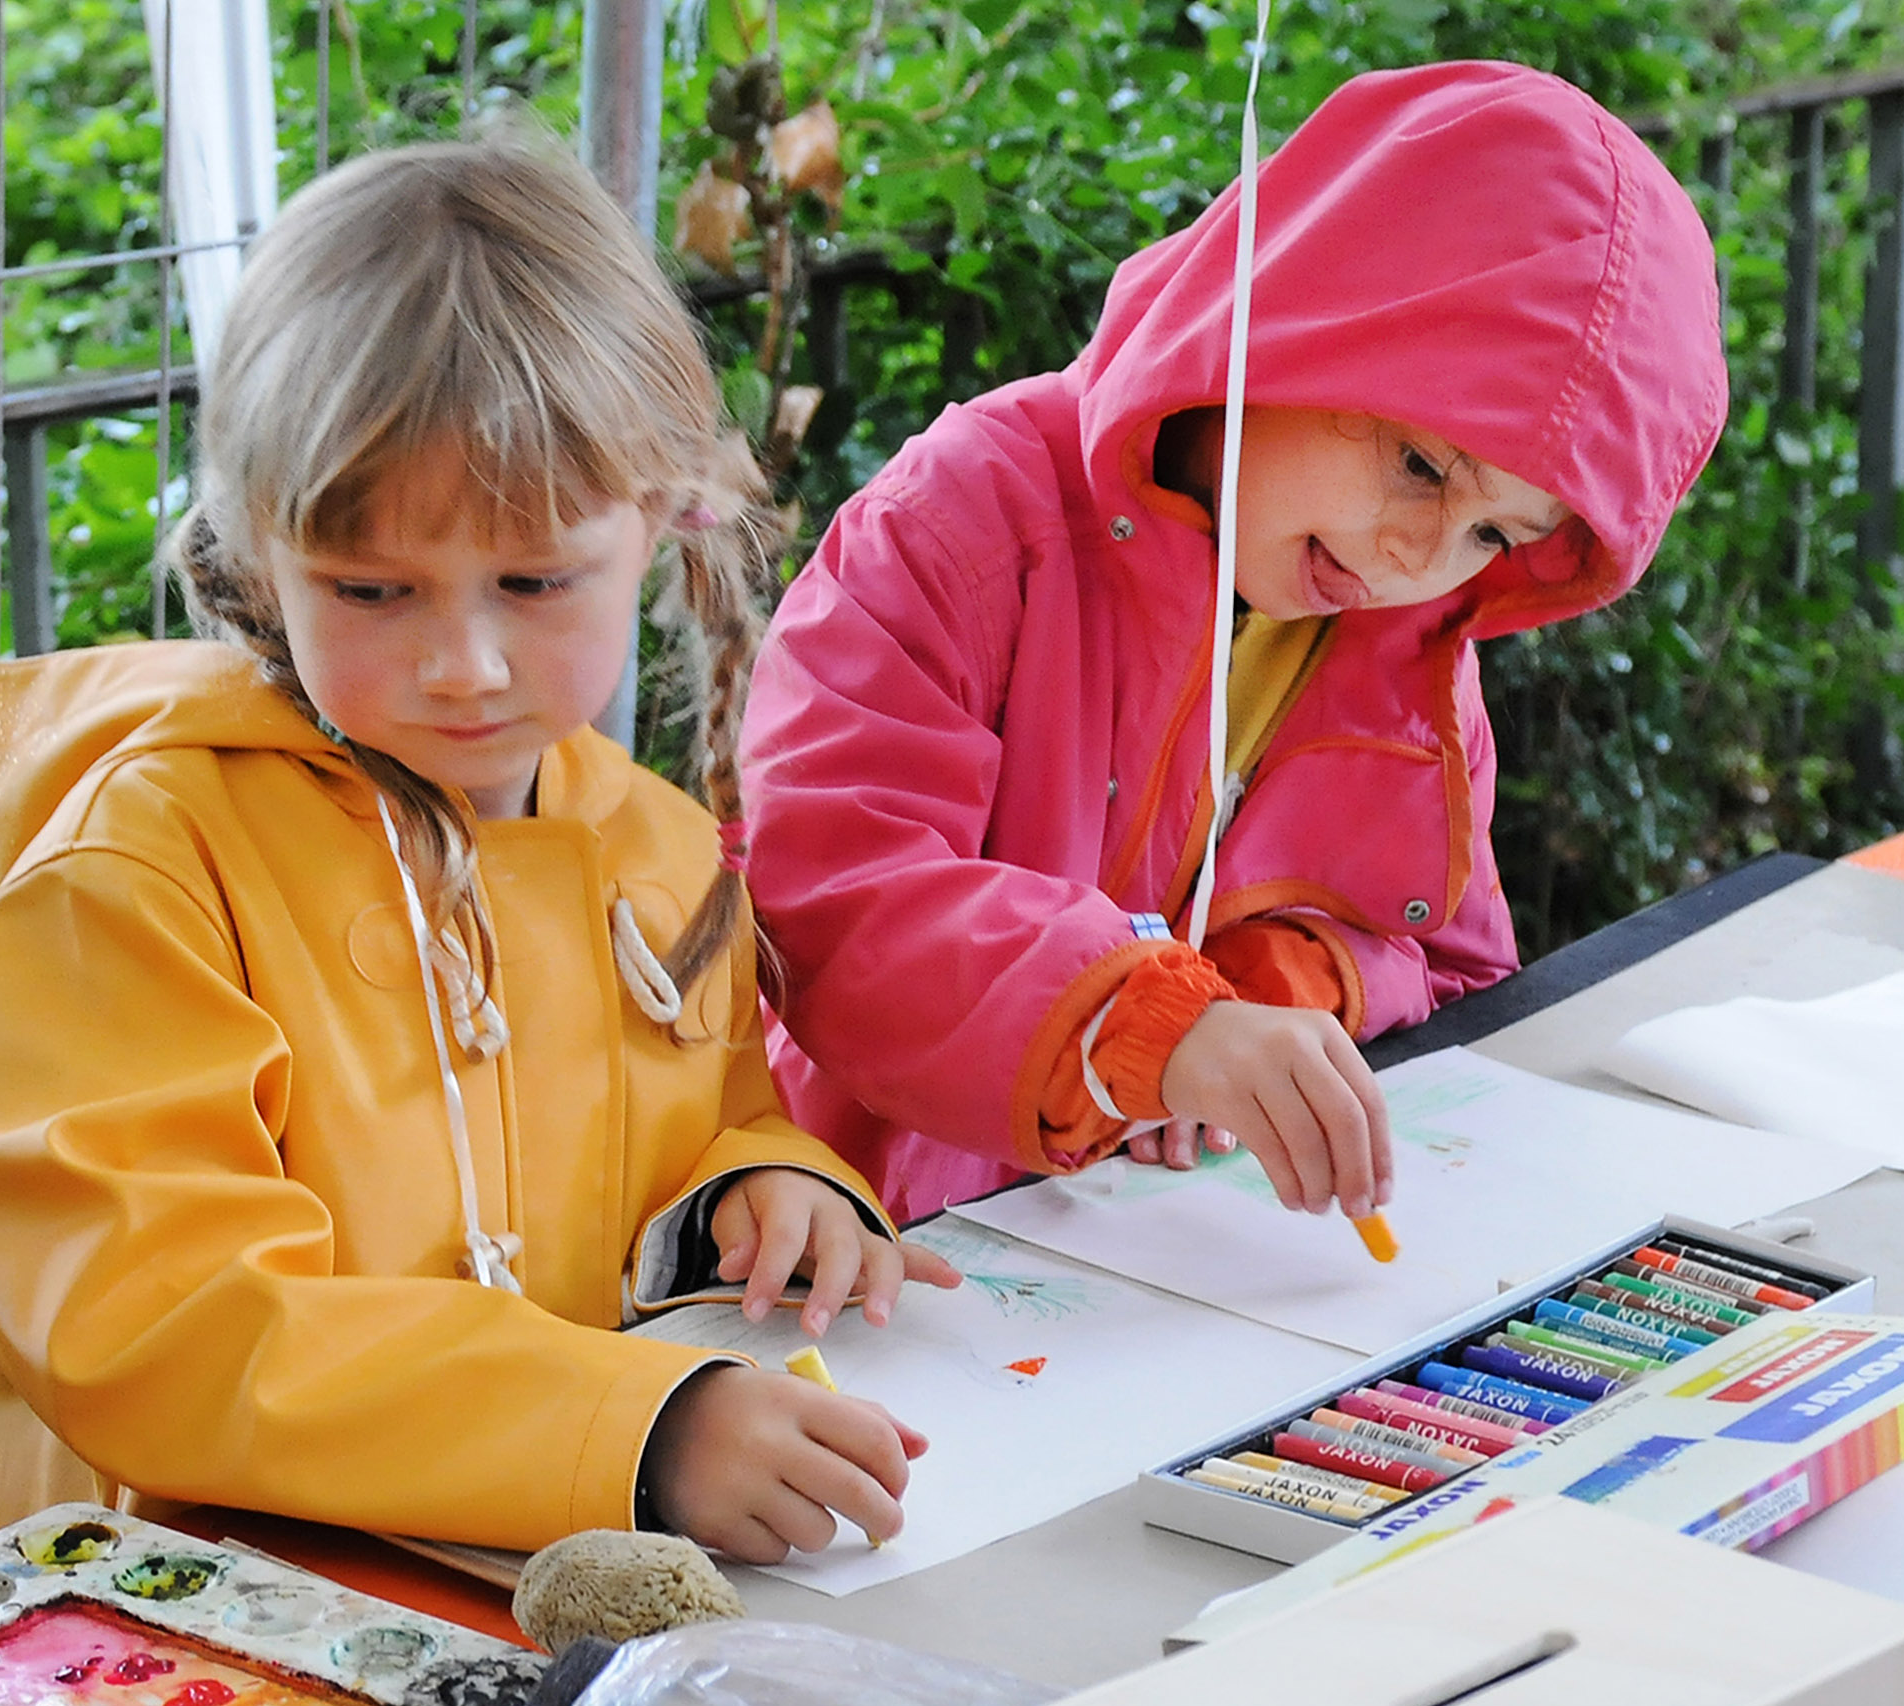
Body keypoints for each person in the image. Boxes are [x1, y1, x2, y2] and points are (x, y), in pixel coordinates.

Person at [0, 139, 960, 1568]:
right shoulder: (139, 869)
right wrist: (635, 1435)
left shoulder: (655, 846)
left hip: (548, 1586)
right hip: (209, 1650)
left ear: (658, 518)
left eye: (533, 582)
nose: (462, 665)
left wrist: (762, 1188)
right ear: (257, 547)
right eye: (370, 591)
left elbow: (700, 1130)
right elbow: (160, 1325)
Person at [740, 61, 1728, 1224]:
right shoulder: (964, 521)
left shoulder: (1409, 656)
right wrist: (1157, 1023)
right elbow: (828, 898)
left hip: (1182, 1285)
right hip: (874, 1264)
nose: (1423, 556)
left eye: (1496, 534)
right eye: (1420, 467)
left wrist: (1289, 981)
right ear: (1298, 319)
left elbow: (1451, 967)